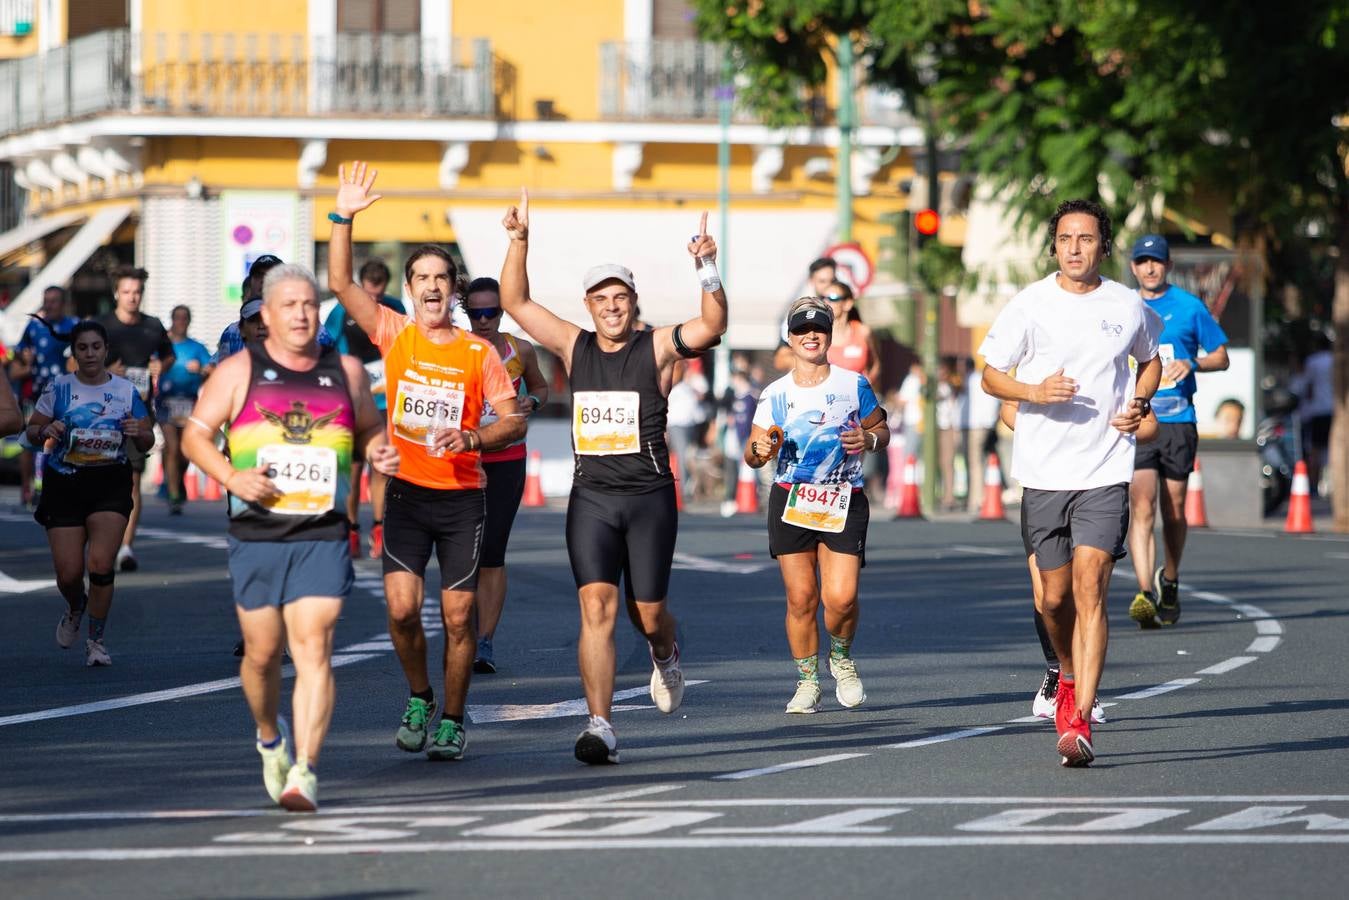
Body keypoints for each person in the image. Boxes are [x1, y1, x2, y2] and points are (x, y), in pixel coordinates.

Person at [499, 189, 727, 764]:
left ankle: (665, 652)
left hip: (649, 498)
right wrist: (519, 241)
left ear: (632, 301)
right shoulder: (574, 346)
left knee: (647, 613)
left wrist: (706, 266)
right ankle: (599, 725)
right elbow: (515, 300)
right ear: (589, 304)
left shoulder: (656, 348)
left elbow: (712, 322)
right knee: (596, 608)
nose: (611, 307)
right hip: (594, 499)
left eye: (620, 297)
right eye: (601, 299)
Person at [328, 161, 524, 763]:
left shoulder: (478, 351)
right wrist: (344, 216)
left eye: (443, 277)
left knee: (459, 619)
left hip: (464, 498)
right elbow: (339, 280)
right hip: (408, 492)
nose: (433, 286)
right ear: (409, 290)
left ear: (454, 290)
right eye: (422, 278)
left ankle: (454, 719)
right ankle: (419, 697)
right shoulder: (394, 332)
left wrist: (474, 440)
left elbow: (513, 418)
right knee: (402, 611)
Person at [183, 263, 396, 812]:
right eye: (290, 306)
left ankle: (305, 769)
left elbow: (371, 427)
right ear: (267, 316)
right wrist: (231, 477)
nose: (301, 314)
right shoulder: (237, 370)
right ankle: (269, 737)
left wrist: (375, 449)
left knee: (314, 646)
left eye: (309, 304)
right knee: (261, 654)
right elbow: (196, 435)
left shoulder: (345, 371)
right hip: (257, 532)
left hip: (321, 531)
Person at [978, 198, 1160, 767]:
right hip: (1043, 472)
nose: (1075, 248)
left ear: (1103, 245)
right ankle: (1066, 672)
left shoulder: (1126, 305)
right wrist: (1034, 393)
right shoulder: (1029, 304)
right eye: (1065, 239)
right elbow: (989, 376)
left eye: (1085, 238)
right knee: (1053, 599)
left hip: (1105, 468)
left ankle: (1079, 718)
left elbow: (1150, 358)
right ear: (1054, 246)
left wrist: (1140, 400)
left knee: (1091, 588)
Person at [744, 296, 888, 713]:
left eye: (819, 329)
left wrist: (869, 439)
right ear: (789, 339)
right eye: (802, 330)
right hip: (792, 500)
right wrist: (762, 449)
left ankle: (841, 658)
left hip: (844, 499)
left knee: (841, 598)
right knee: (801, 597)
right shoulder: (775, 393)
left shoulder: (853, 383)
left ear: (829, 336)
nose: (811, 336)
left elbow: (880, 428)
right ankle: (807, 681)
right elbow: (752, 453)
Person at [1004, 400, 1159, 724]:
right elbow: (1007, 408)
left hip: (1099, 486)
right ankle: (1058, 669)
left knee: (1088, 592)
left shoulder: (1117, 362)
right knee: (1049, 597)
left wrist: (1120, 427)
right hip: (1044, 486)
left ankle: (1082, 695)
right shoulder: (1039, 360)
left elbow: (1149, 426)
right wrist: (1046, 428)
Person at [26, 320, 154, 667]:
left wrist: (136, 432)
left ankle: (96, 641)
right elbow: (32, 429)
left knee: (100, 564)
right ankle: (75, 605)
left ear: (105, 348)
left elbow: (147, 439)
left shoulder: (126, 391)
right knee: (69, 574)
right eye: (82, 348)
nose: (90, 354)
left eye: (96, 347)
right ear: (74, 353)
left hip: (109, 482)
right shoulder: (60, 388)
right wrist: (46, 428)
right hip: (64, 482)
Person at [1125, 235, 1229, 629]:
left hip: (1179, 420)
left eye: (1156, 261)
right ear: (1133, 267)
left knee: (1174, 507)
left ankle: (1169, 578)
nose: (1150, 268)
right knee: (1142, 504)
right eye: (1142, 261)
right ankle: (1144, 593)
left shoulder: (1189, 307)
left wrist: (1193, 364)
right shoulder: (1124, 307)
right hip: (1139, 421)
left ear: (1167, 265)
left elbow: (1222, 355)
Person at [462, 275, 549, 675]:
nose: (483, 320)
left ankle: (485, 641)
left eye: (491, 312)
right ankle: (461, 630)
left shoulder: (521, 349)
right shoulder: (456, 349)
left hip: (506, 459)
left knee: (492, 551)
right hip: (462, 460)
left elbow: (542, 388)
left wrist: (530, 400)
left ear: (502, 312)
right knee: (464, 551)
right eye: (476, 313)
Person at [323, 258, 407, 559]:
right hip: (354, 396)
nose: (373, 302)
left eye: (379, 296)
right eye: (369, 296)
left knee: (381, 464)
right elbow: (325, 345)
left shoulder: (396, 306)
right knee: (353, 466)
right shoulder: (342, 309)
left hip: (386, 398)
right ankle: (352, 528)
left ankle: (379, 528)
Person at [96, 265, 175, 573]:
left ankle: (126, 548)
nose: (132, 298)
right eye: (126, 292)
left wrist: (160, 366)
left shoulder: (153, 326)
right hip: (101, 414)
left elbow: (168, 356)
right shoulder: (101, 325)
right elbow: (75, 360)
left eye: (137, 292)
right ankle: (103, 538)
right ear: (117, 292)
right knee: (101, 479)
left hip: (138, 412)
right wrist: (105, 373)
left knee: (132, 480)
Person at [10, 287, 78, 506]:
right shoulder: (35, 326)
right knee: (31, 440)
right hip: (36, 393)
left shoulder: (73, 326)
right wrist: (25, 361)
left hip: (65, 395)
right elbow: (18, 357)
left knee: (60, 440)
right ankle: (27, 489)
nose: (49, 305)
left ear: (63, 303)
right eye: (46, 301)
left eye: (54, 301)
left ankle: (56, 484)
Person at [156, 305, 212, 514]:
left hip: (189, 402)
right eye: (177, 318)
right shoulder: (163, 345)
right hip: (166, 402)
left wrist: (202, 370)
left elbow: (211, 369)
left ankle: (175, 481)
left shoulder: (197, 347)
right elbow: (151, 365)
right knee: (172, 445)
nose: (180, 322)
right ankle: (174, 496)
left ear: (189, 321)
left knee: (185, 451)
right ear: (171, 320)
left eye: (184, 318)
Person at [823, 281, 881, 387]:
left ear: (848, 304)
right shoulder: (819, 335)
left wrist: (867, 385)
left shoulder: (863, 332)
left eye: (833, 298)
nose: (826, 302)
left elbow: (875, 363)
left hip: (858, 399)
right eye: (823, 297)